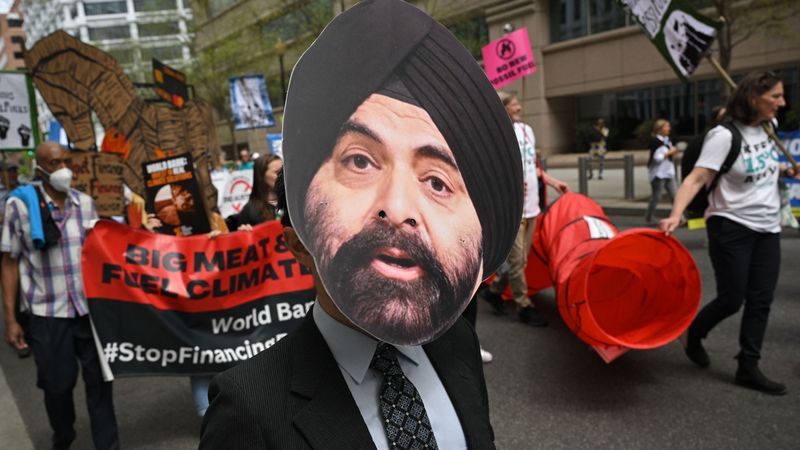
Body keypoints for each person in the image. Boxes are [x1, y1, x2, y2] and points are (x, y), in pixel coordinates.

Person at [200, 1, 522, 447]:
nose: (398, 207)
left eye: (436, 181)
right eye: (360, 161)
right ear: (296, 242)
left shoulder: (457, 345)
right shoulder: (250, 408)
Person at [661, 71, 797, 395]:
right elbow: (696, 178)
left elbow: (759, 164)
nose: (782, 102)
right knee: (732, 298)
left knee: (761, 300)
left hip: (768, 226)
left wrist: (785, 168)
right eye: (775, 97)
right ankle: (694, 332)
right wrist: (676, 214)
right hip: (731, 225)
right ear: (754, 98)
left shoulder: (769, 127)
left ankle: (748, 366)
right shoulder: (723, 136)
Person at [1, 142, 119, 449]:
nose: (63, 168)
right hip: (47, 313)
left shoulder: (86, 204)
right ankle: (63, 434)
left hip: (88, 311)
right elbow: (10, 262)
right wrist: (11, 318)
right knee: (57, 386)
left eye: (68, 161)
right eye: (55, 163)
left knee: (100, 383)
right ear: (39, 169)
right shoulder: (20, 207)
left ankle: (108, 444)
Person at [481, 91, 569, 327]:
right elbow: (489, 172)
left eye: (519, 103)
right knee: (518, 261)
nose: (519, 107)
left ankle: (494, 290)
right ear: (504, 108)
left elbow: (534, 167)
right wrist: (509, 181)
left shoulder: (527, 131)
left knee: (521, 262)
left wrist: (552, 181)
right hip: (512, 210)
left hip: (532, 207)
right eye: (514, 104)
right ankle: (524, 306)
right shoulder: (497, 135)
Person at [225, 154, 282, 231]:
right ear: (262, 177)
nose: (283, 176)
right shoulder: (250, 210)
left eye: (285, 171)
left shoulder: (294, 202)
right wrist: (244, 233)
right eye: (278, 173)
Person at [645, 119, 679, 223]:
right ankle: (649, 216)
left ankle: (679, 217)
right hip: (658, 173)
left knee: (675, 195)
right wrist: (670, 152)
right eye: (666, 126)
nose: (668, 128)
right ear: (660, 129)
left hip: (669, 172)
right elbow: (657, 158)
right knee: (656, 196)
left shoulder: (668, 140)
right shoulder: (655, 142)